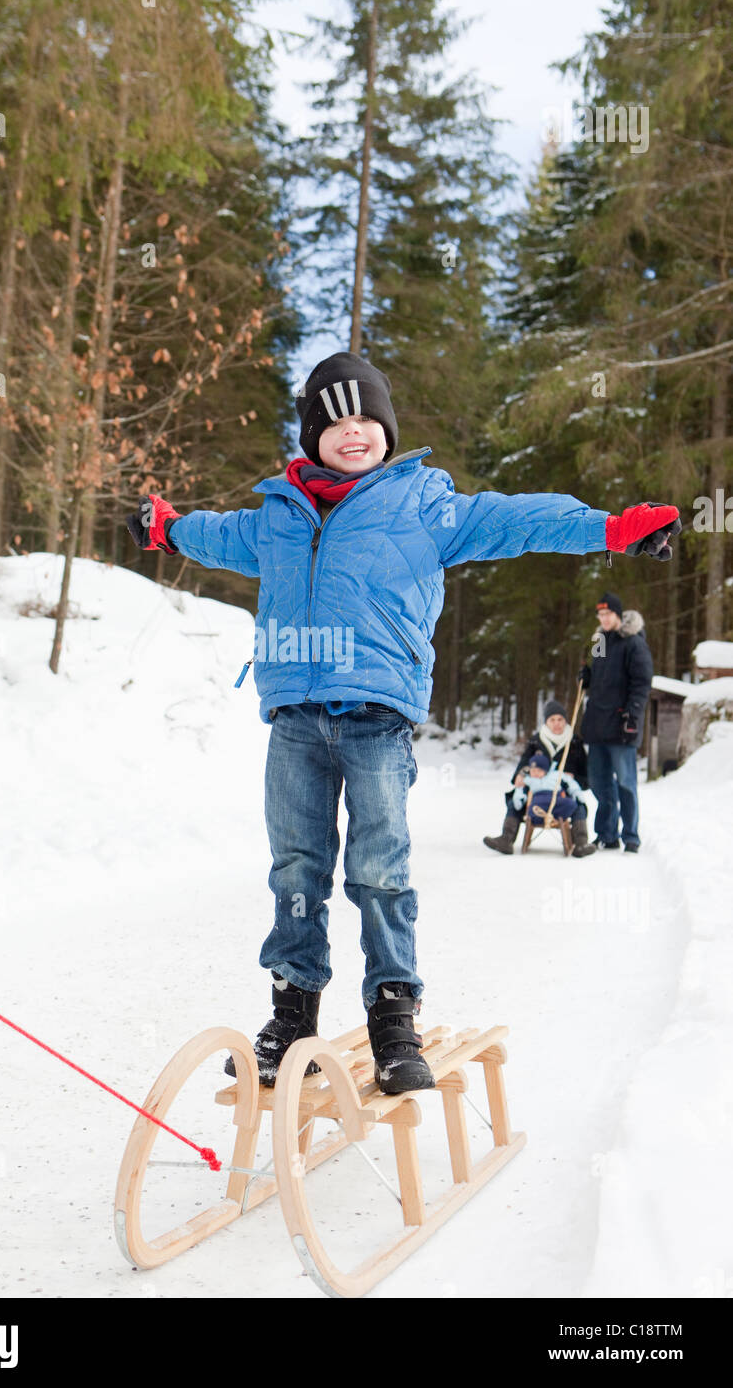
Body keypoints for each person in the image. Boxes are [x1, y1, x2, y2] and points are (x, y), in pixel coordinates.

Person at [126, 351, 680, 1093]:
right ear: (312, 436)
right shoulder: (278, 517)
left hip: (377, 719)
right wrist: (166, 528)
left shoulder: (425, 505)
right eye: (336, 422)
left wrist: (609, 530)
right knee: (296, 869)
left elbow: (517, 519)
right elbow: (212, 534)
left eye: (367, 420)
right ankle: (291, 1012)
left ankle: (393, 1015)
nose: (353, 434)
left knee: (379, 872)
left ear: (386, 430)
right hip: (294, 719)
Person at [578, 591, 653, 853]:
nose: (604, 618)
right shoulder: (598, 640)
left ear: (618, 615)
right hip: (598, 725)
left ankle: (630, 836)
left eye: (608, 613)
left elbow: (642, 683)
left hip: (622, 725)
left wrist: (632, 715)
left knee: (625, 783)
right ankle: (607, 834)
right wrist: (587, 677)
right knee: (599, 783)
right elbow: (597, 673)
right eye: (600, 614)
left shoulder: (633, 642)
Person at [483, 699, 595, 857]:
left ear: (565, 720)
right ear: (546, 722)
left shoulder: (574, 742)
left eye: (560, 719)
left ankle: (581, 844)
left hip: (563, 793)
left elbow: (586, 776)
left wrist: (574, 778)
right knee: (514, 800)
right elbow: (523, 764)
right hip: (536, 791)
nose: (557, 724)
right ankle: (506, 839)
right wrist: (521, 775)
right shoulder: (537, 741)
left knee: (579, 806)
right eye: (552, 720)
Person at [511, 751, 586, 824]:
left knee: (571, 804)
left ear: (545, 771)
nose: (536, 773)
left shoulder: (556, 775)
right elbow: (520, 790)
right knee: (533, 810)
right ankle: (540, 816)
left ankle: (556, 816)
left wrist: (576, 793)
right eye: (533, 771)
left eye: (539, 771)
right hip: (538, 802)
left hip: (556, 799)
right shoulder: (528, 780)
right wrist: (519, 799)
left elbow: (570, 783)